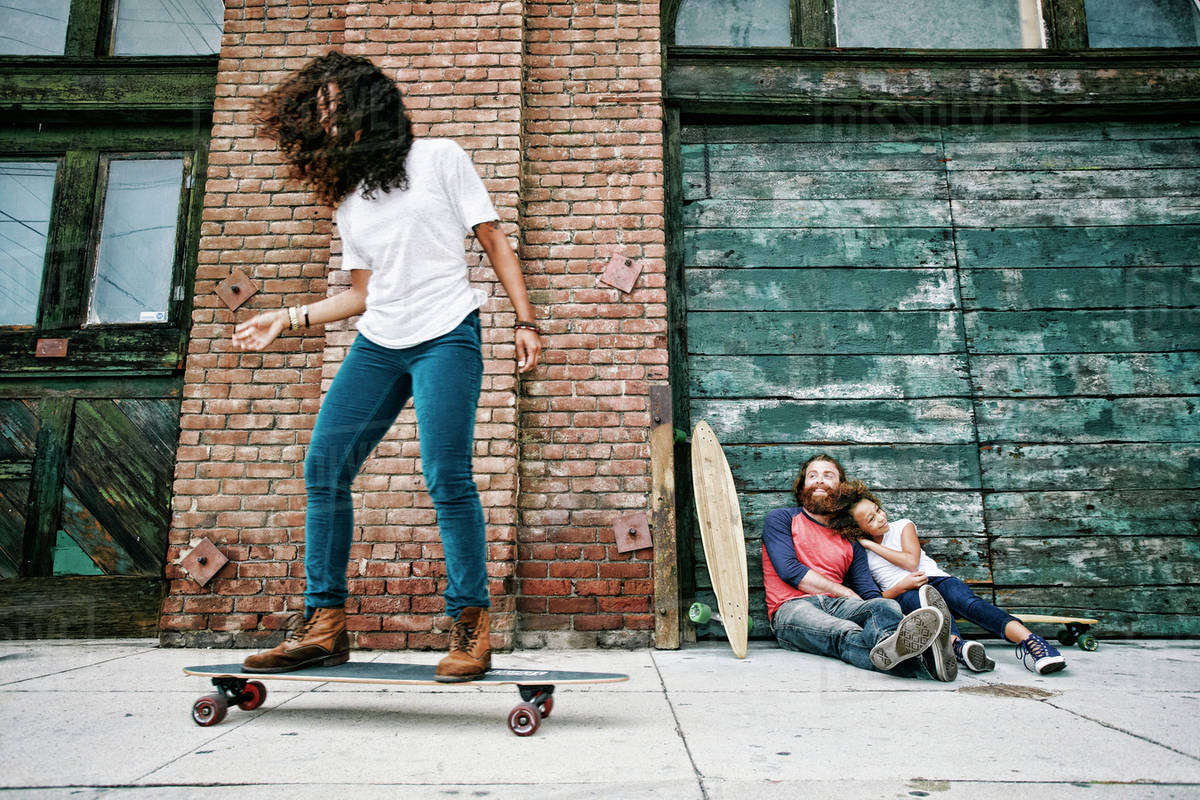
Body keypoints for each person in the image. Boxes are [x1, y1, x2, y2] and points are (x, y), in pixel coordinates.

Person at [231, 52, 542, 682]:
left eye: (331, 107)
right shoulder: (349, 197)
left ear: (366, 104)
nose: (325, 121)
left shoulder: (441, 159)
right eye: (315, 114)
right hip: (379, 340)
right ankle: (324, 625)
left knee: (445, 475)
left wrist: (526, 320)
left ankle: (472, 626)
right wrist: (287, 319)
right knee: (325, 466)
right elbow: (362, 295)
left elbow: (493, 242)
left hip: (447, 334)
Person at [830, 480, 1067, 675]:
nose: (881, 518)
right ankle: (960, 648)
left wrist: (870, 544)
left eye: (878, 510)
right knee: (933, 615)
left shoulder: (903, 526)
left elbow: (910, 562)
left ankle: (1034, 643)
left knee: (970, 604)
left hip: (937, 579)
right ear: (857, 528)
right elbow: (877, 598)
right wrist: (901, 586)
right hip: (905, 593)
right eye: (871, 519)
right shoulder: (860, 556)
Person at [762, 454, 957, 681]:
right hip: (792, 608)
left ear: (841, 487)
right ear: (803, 485)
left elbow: (869, 594)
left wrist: (893, 612)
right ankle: (925, 662)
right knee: (844, 633)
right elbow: (790, 570)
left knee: (882, 606)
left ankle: (897, 644)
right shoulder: (781, 519)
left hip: (838, 606)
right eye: (812, 476)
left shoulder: (849, 540)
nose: (819, 480)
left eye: (828, 475)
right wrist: (845, 592)